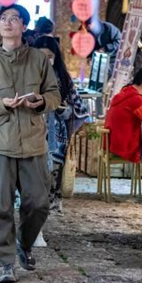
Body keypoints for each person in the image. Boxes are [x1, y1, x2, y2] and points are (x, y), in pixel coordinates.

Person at [0, 4, 61, 283]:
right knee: (1, 208)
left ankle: (25, 243)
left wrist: (40, 101)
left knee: (39, 203)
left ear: (24, 26)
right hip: (1, 145)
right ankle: (6, 263)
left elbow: (54, 94)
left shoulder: (38, 60)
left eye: (14, 19)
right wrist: (0, 104)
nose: (8, 23)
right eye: (4, 19)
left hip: (34, 144)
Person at [34, 36, 90, 212]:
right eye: (41, 56)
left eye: (49, 56)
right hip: (31, 128)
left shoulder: (64, 79)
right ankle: (31, 200)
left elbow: (77, 107)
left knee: (54, 167)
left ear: (56, 57)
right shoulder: (27, 76)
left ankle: (52, 199)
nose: (46, 60)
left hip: (56, 131)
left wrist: (62, 110)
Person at [104, 68, 142, 166]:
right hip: (127, 146)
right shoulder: (137, 100)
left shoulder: (125, 92)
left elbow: (139, 113)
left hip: (114, 143)